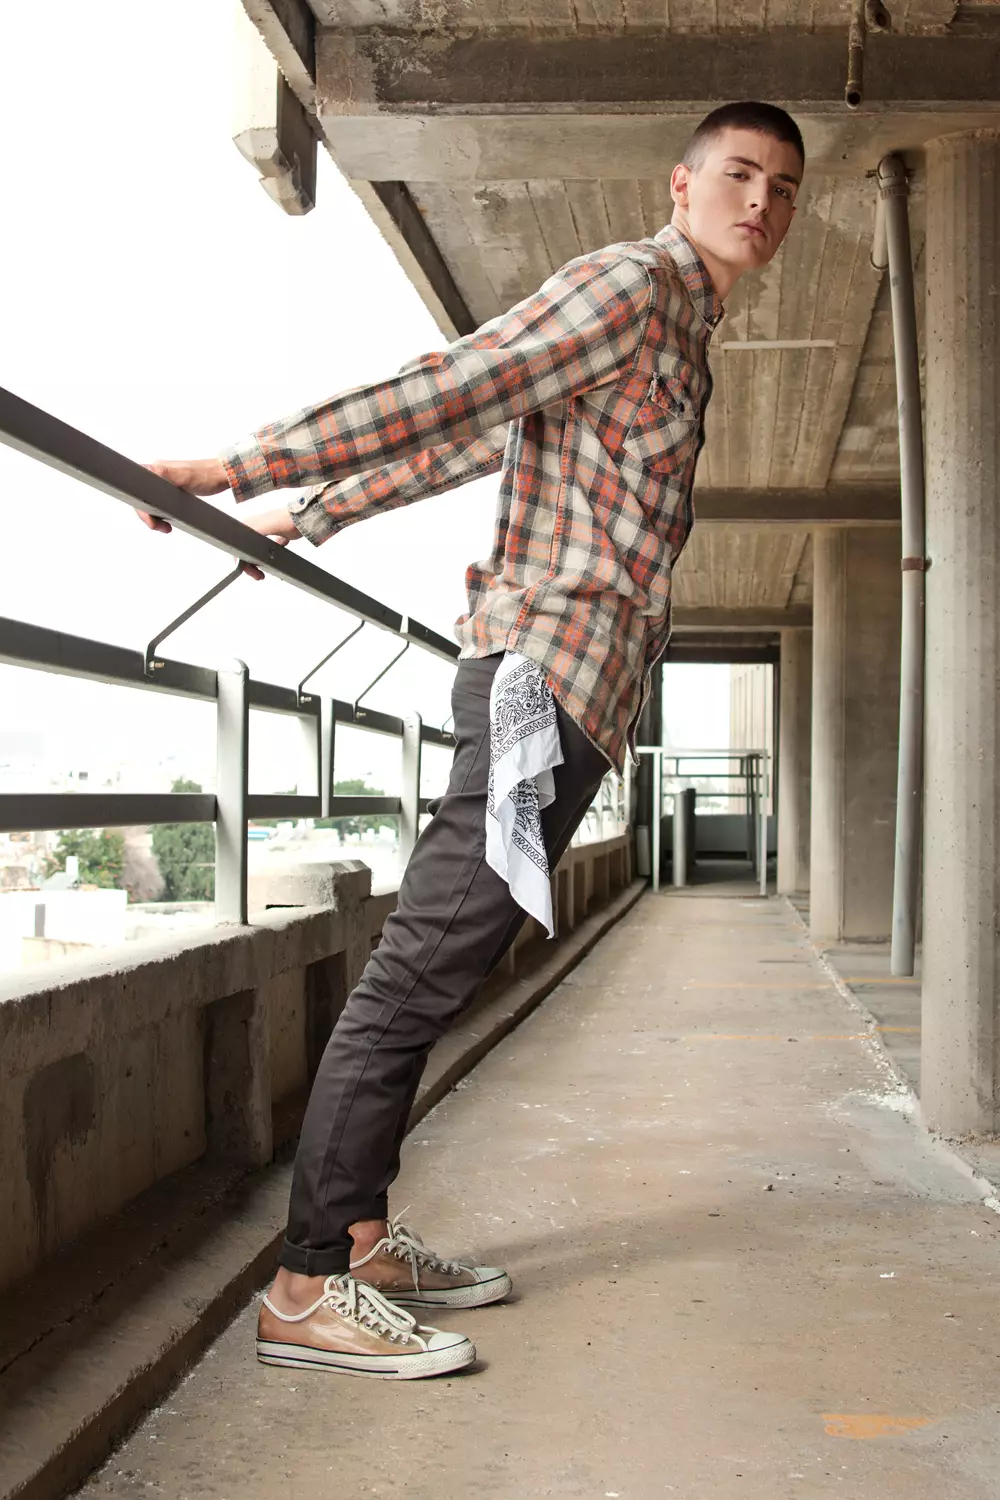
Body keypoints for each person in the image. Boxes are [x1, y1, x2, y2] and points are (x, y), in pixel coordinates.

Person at [141, 100, 804, 1381]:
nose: (761, 203)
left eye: (782, 186)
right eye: (738, 174)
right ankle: (306, 1283)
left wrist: (315, 513)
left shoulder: (685, 332)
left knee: (438, 972)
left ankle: (364, 1235)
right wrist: (245, 468)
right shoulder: (628, 285)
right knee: (413, 981)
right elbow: (458, 381)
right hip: (535, 686)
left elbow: (477, 437)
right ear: (681, 184)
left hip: (579, 697)